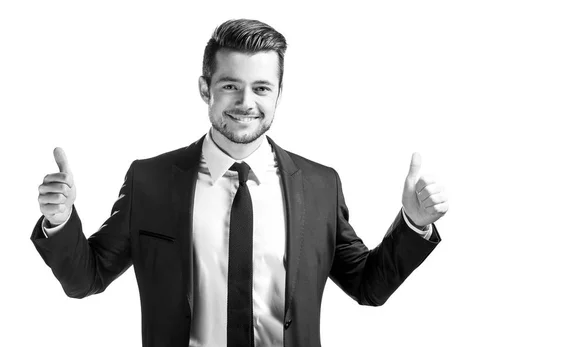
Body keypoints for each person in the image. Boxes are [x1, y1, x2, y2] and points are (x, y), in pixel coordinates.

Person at [32, 19, 449, 347]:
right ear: (204, 89)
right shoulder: (152, 181)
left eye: (261, 88)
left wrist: (413, 224)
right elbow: (86, 280)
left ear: (278, 93)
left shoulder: (320, 185)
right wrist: (61, 220)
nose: (246, 103)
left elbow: (367, 286)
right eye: (230, 86)